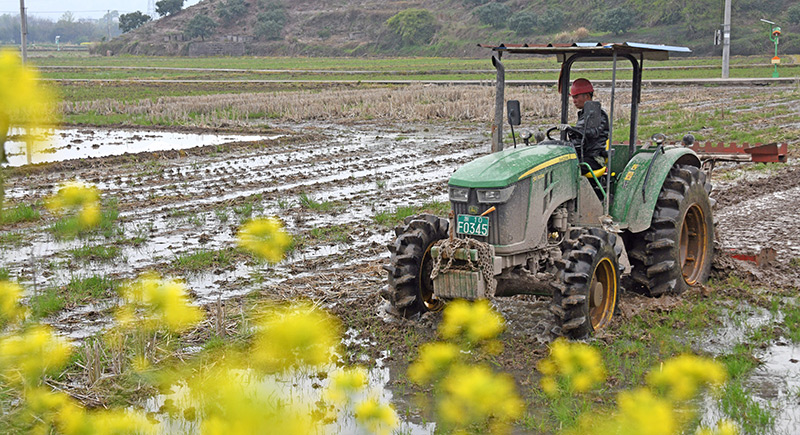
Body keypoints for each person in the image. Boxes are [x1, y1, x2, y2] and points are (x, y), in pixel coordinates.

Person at [558, 78, 609, 172]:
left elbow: (593, 132)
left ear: (586, 96)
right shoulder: (585, 114)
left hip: (594, 158)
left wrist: (572, 129)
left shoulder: (598, 115)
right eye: (572, 97)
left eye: (576, 97)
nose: (573, 101)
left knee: (567, 168)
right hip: (581, 154)